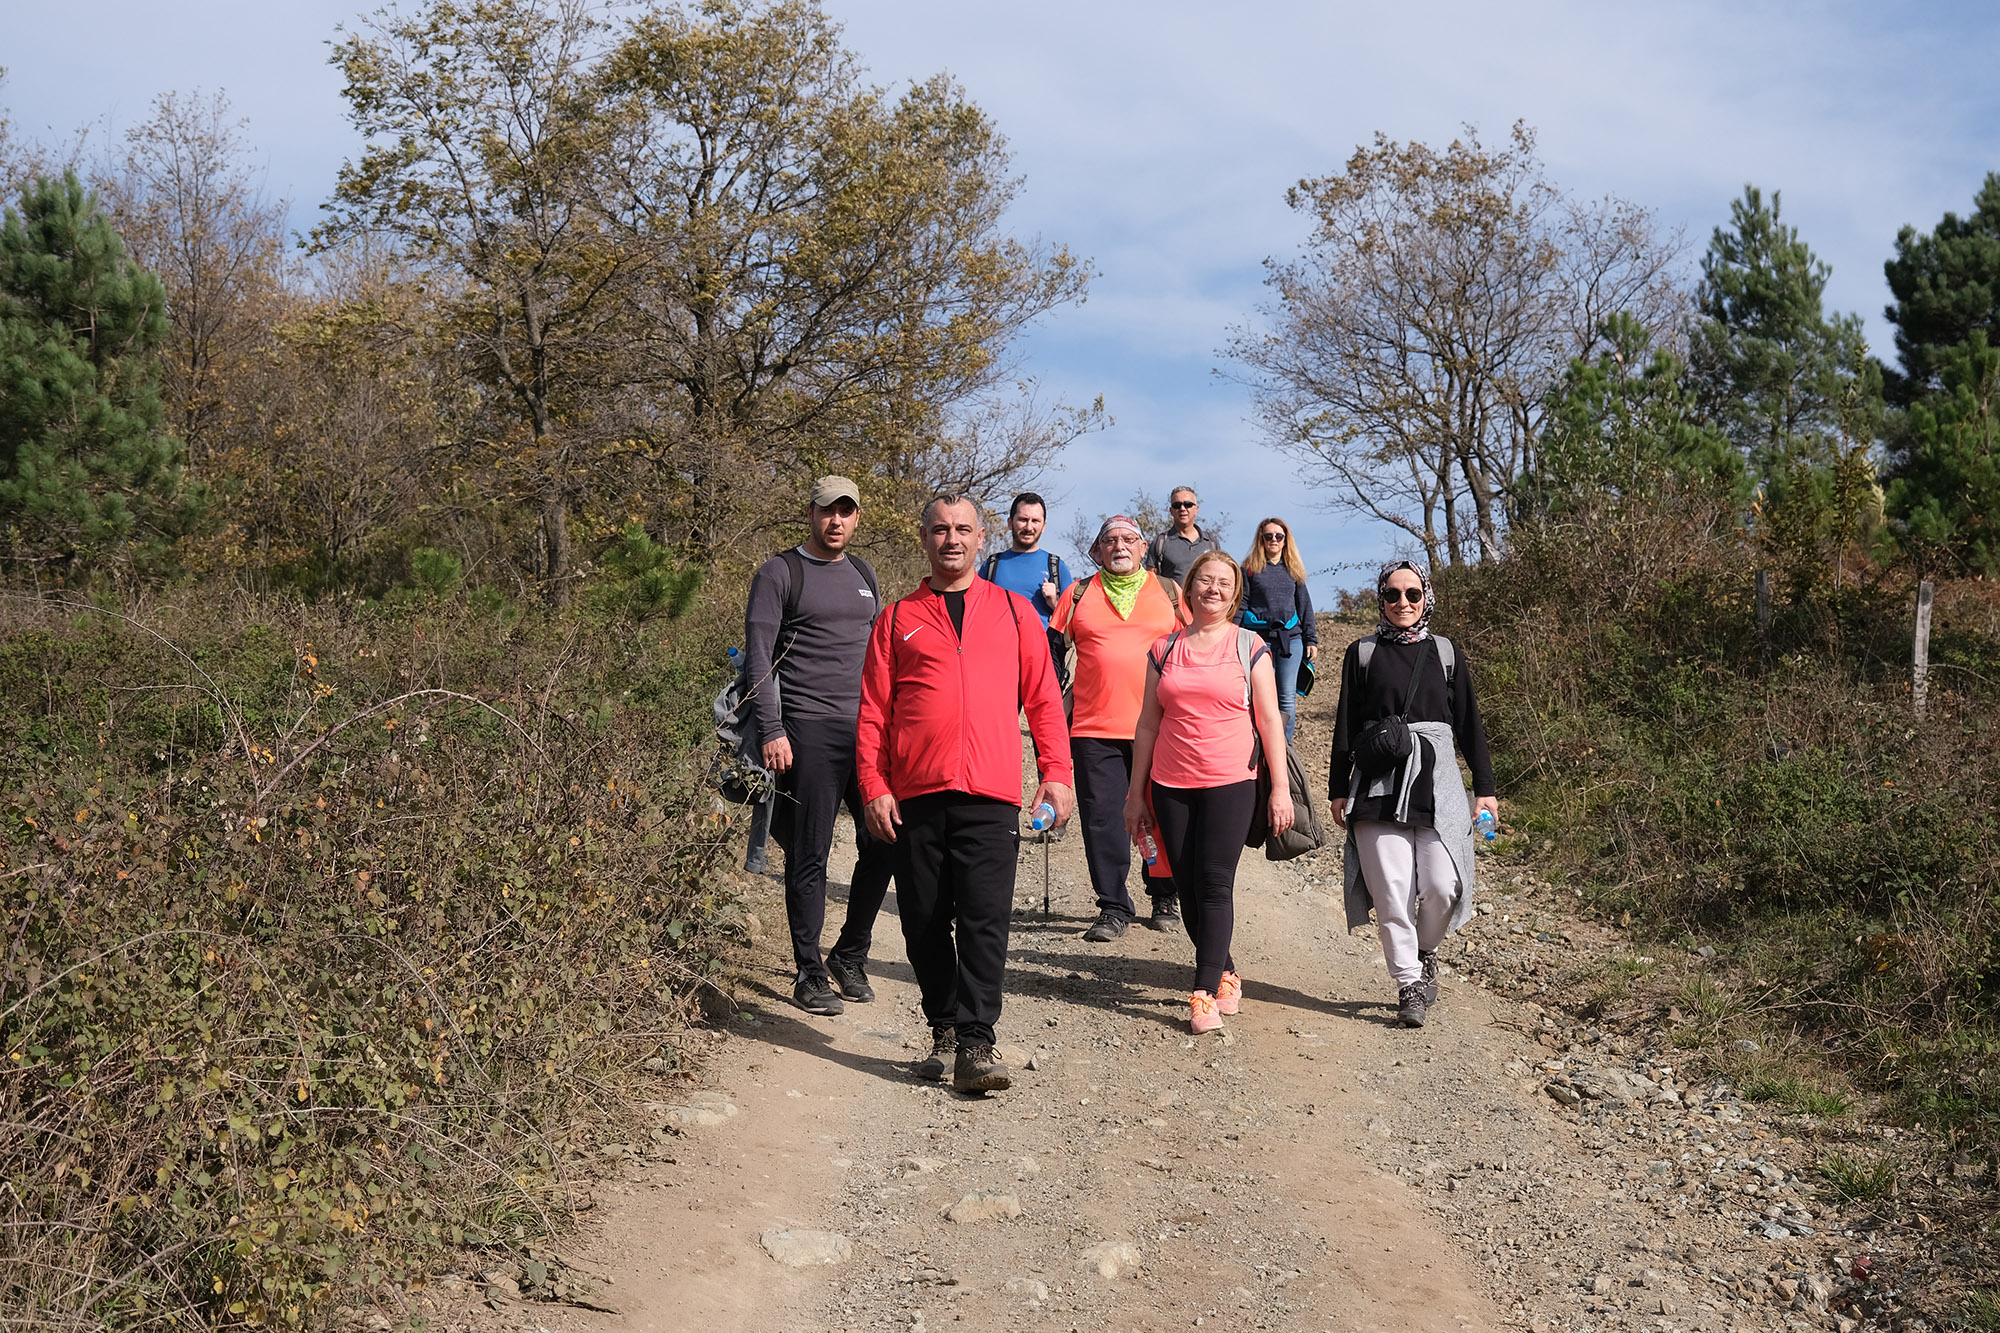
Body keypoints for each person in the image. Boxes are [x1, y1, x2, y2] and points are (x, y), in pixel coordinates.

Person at [856, 494, 1075, 1093]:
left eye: (963, 530)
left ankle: (977, 1042)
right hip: (915, 793)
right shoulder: (897, 619)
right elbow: (873, 712)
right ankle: (944, 1026)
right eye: (940, 529)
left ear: (982, 539)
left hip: (991, 791)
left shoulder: (1013, 612)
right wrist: (874, 785)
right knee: (923, 921)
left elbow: (1044, 700)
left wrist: (1056, 773)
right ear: (924, 538)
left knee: (984, 920)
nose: (951, 539)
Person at [741, 475, 896, 1017]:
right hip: (805, 731)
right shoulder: (780, 572)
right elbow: (759, 656)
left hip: (867, 733)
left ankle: (849, 953)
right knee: (810, 854)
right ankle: (809, 972)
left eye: (846, 512)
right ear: (811, 513)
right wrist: (773, 729)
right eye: (828, 511)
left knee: (886, 840)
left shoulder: (862, 573)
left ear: (857, 519)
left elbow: (877, 653)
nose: (837, 521)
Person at [1123, 551, 1292, 1035]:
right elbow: (1147, 726)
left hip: (1232, 782)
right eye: (1204, 581)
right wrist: (1135, 796)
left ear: (1234, 594)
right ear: (1189, 589)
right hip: (1171, 783)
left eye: (1223, 583)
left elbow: (1269, 723)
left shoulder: (1249, 645)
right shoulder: (1164, 649)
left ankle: (1202, 995)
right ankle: (1226, 972)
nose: (1213, 589)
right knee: (1188, 886)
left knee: (1215, 883)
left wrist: (1278, 788)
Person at [1327, 561, 1497, 1029]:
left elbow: (1469, 724)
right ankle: (1410, 984)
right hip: (1379, 781)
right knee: (1391, 892)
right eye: (1392, 594)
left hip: (1437, 779)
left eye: (1413, 594)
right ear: (1380, 599)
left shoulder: (1445, 652)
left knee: (1445, 884)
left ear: (1427, 598)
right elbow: (1345, 726)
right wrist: (1338, 790)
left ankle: (1425, 953)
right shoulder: (1361, 653)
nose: (1403, 603)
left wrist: (1485, 789)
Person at [1050, 515, 1186, 941]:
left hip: (1161, 728)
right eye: (1110, 540)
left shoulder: (1168, 591)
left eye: (1129, 539)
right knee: (1103, 819)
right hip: (1094, 729)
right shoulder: (1078, 593)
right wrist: (1049, 705)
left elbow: (1194, 646)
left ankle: (1163, 895)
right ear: (1098, 550)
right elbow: (1051, 652)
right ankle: (1112, 905)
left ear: (1144, 548)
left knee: (1160, 816)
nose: (1120, 546)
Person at [979, 492, 1074, 688]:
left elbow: (1073, 623)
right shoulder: (992, 565)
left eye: (1035, 521)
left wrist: (1054, 603)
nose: (1029, 527)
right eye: (1023, 520)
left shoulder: (1056, 566)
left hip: (1043, 657)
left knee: (1044, 717)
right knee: (1001, 717)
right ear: (1010, 522)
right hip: (998, 657)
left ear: (1044, 526)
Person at [1238, 517, 1318, 744]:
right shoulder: (1249, 570)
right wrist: (1232, 632)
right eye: (1268, 536)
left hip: (1290, 640)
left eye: (1278, 536)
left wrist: (1311, 639)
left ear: (1285, 540)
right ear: (1260, 539)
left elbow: (1304, 606)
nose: (1273, 540)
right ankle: (1261, 743)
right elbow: (1241, 603)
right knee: (1262, 696)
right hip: (1258, 641)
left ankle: (1284, 746)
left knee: (1286, 697)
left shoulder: (1293, 570)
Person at [1143, 486, 1221, 586]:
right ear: (1171, 511)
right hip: (1171, 601)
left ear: (1196, 509)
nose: (1182, 509)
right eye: (1177, 505)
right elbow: (1150, 581)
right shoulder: (1160, 543)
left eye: (1188, 504)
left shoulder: (1211, 542)